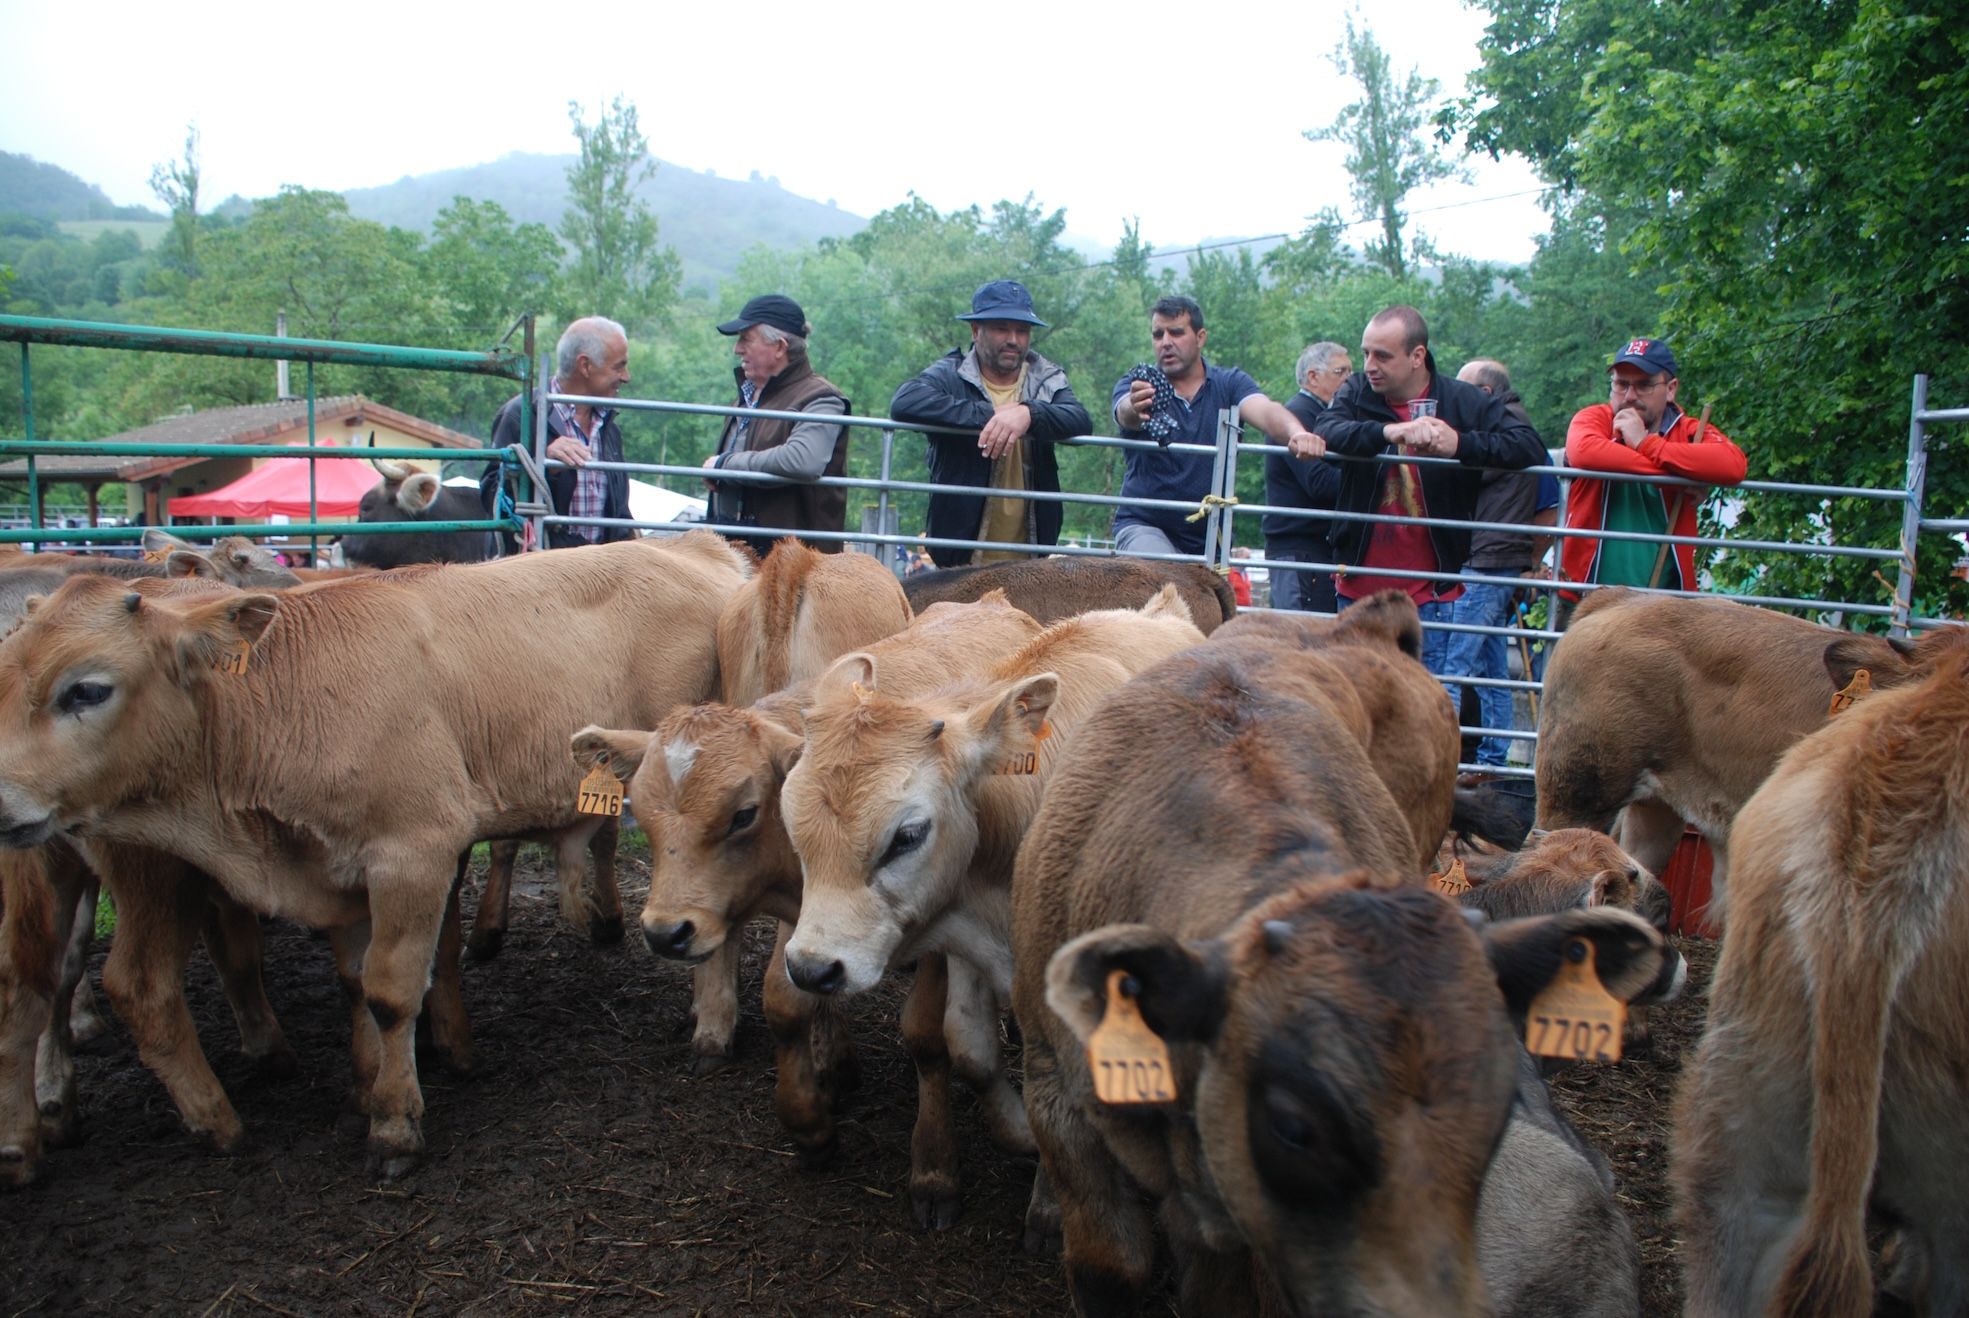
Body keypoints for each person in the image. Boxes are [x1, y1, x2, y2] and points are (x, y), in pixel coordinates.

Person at [1294, 305, 1544, 673]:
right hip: (1358, 584)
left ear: (1417, 356)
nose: (1370, 365)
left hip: (1431, 590)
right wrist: (1385, 433)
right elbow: (1327, 429)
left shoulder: (1461, 398)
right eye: (1365, 353)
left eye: (1382, 355)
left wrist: (1459, 444)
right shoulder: (1357, 390)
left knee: (1429, 700)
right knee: (1357, 696)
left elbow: (1528, 446)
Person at [889, 280, 1092, 567]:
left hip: (1030, 552)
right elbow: (905, 401)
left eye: (1022, 330)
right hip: (959, 555)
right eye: (1001, 328)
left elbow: (1080, 419)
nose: (1013, 339)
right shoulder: (952, 373)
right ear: (976, 331)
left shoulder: (1045, 377)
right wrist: (990, 416)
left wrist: (1029, 414)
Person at [1110, 296, 1324, 558]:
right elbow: (1125, 413)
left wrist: (1297, 433)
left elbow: (1267, 411)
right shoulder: (1139, 383)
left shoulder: (1230, 383)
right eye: (1158, 334)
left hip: (1211, 535)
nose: (1165, 342)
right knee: (1162, 580)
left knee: (1199, 597)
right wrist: (1134, 405)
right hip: (1144, 526)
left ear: (1200, 337)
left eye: (1176, 332)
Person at [1558, 336, 1747, 618]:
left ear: (1670, 389)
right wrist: (1679, 472)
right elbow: (1585, 453)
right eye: (1621, 384)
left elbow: (1733, 465)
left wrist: (1647, 444)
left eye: (1644, 384)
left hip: (1661, 608)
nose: (1630, 396)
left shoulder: (1690, 432)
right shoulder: (1594, 418)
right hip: (1584, 598)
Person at [1442, 357, 1549, 773]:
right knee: (1489, 667)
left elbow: (1467, 471)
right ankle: (1492, 761)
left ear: (1484, 393)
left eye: (1463, 391)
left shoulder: (1503, 428)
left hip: (1487, 560)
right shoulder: (1512, 424)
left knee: (1451, 662)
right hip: (1496, 557)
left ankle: (1440, 762)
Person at [704, 294, 851, 558]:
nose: (737, 349)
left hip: (795, 568)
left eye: (746, 339)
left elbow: (803, 460)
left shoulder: (822, 398)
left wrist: (723, 465)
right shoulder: (743, 399)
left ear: (780, 347)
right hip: (739, 554)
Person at [485, 316, 635, 549]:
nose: (626, 377)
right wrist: (543, 465)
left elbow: (620, 512)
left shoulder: (609, 425)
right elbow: (490, 496)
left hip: (601, 573)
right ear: (585, 366)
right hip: (543, 571)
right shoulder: (522, 415)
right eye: (618, 366)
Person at [1264, 340, 1351, 612]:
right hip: (1299, 549)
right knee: (1299, 639)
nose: (1350, 381)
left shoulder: (1319, 414)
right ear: (1313, 376)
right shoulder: (1299, 415)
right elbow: (1318, 481)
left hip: (1311, 548)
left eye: (1351, 372)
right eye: (1341, 373)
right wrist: (1371, 481)